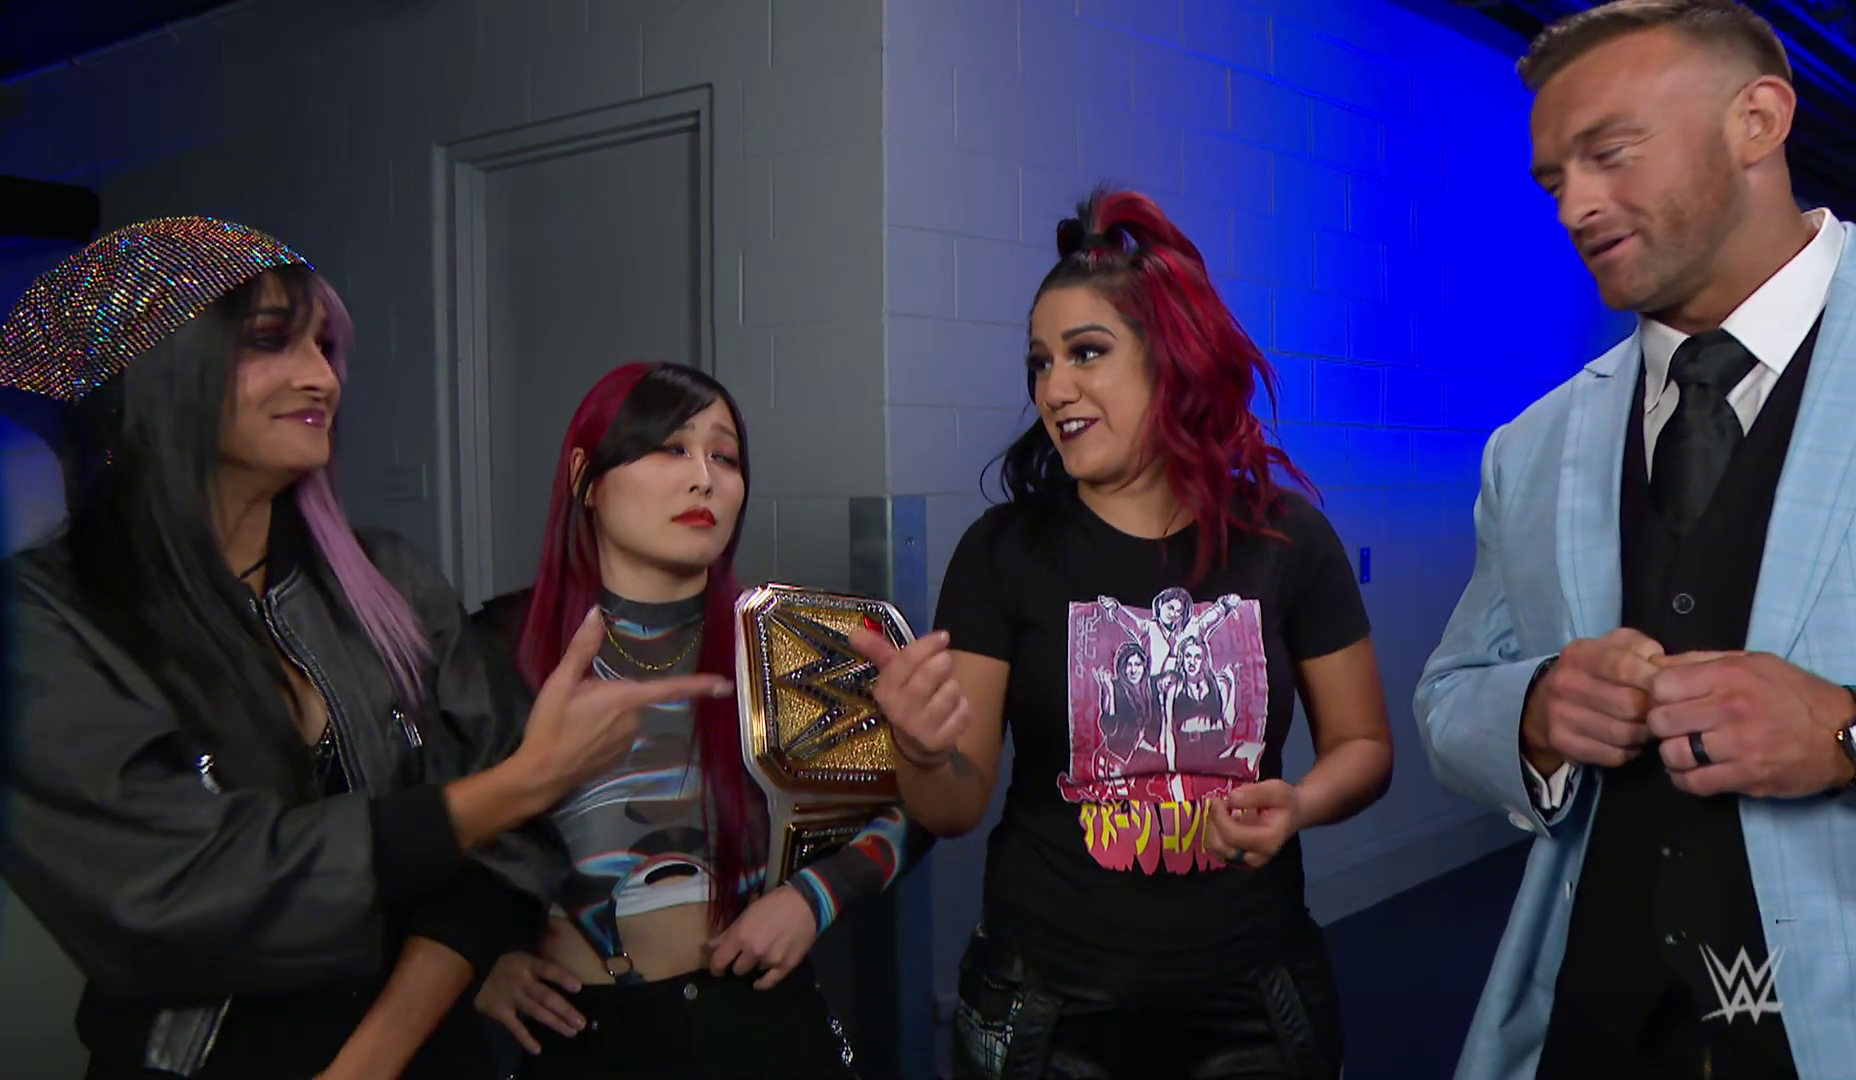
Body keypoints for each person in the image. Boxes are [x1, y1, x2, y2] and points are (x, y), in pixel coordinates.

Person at [0, 218, 728, 1080]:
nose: (323, 376)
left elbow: (506, 854)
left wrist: (374, 1058)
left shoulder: (387, 581)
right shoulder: (49, 616)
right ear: (161, 374)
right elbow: (172, 895)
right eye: (271, 341)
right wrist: (514, 786)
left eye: (325, 346)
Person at [1413, 3, 1856, 1077]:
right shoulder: (1532, 444)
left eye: (1611, 153)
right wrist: (1537, 711)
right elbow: (1451, 694)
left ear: (1758, 120)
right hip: (1593, 1032)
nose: (1577, 206)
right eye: (1556, 179)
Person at [851, 189, 1395, 1079]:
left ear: (1174, 360)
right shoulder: (1002, 551)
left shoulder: (1287, 540)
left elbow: (1365, 747)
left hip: (1252, 998)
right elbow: (952, 808)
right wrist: (917, 748)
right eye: (1040, 363)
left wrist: (1299, 805)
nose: (1053, 388)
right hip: (1048, 1005)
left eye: (1086, 353)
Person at [472, 362, 932, 1080]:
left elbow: (926, 804)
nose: (704, 479)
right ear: (586, 478)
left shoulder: (787, 642)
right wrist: (478, 964)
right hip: (584, 1037)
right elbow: (421, 836)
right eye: (671, 448)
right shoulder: (500, 649)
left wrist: (815, 898)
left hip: (760, 1028)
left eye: (725, 456)